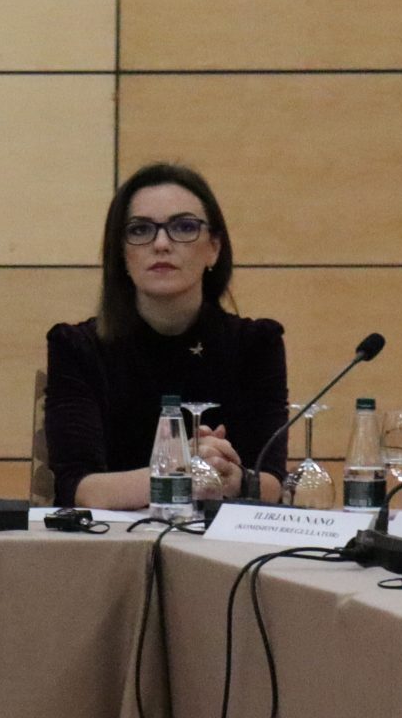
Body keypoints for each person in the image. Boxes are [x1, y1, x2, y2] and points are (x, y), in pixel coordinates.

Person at [44, 162, 287, 509]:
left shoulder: (257, 344)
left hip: (220, 539)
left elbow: (272, 483)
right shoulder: (77, 347)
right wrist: (185, 469)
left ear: (214, 247)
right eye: (140, 230)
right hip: (113, 539)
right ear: (121, 253)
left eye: (184, 227)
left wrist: (232, 478)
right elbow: (80, 489)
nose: (161, 243)